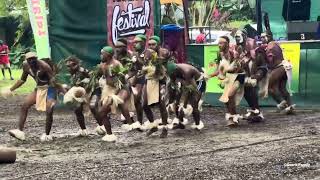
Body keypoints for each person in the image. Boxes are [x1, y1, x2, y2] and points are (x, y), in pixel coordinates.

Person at [2, 52, 61, 141]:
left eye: (34, 58)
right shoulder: (26, 66)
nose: (32, 61)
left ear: (37, 58)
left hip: (50, 89)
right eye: (29, 59)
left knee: (49, 110)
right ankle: (20, 132)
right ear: (27, 60)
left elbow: (53, 80)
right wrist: (11, 89)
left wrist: (59, 90)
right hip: (39, 89)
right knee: (24, 106)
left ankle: (47, 135)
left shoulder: (44, 66)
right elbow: (22, 80)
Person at [97, 46, 135, 142]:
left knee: (108, 108)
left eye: (103, 53)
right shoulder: (102, 65)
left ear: (108, 55)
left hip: (120, 89)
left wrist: (115, 94)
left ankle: (130, 125)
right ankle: (109, 135)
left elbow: (123, 81)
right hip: (108, 89)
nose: (101, 55)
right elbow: (97, 75)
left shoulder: (116, 64)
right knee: (102, 111)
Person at [234, 30, 265, 122]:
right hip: (247, 72)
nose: (237, 39)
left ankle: (257, 112)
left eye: (238, 36)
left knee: (251, 89)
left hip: (259, 69)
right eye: (236, 37)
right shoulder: (238, 48)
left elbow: (257, 62)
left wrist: (255, 75)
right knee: (246, 92)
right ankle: (254, 110)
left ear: (244, 36)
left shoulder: (252, 45)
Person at [214, 36, 245, 127]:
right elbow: (218, 69)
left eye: (221, 43)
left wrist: (227, 69)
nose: (219, 45)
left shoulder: (233, 53)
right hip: (228, 78)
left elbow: (237, 68)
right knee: (226, 100)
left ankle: (232, 118)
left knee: (230, 95)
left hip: (238, 77)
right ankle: (233, 117)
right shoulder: (219, 54)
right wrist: (209, 75)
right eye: (218, 43)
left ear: (227, 44)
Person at [166, 62, 207, 130]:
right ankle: (180, 123)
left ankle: (198, 125)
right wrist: (173, 101)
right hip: (186, 83)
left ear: (176, 71)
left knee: (194, 103)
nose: (172, 75)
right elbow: (174, 86)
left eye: (173, 74)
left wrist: (184, 105)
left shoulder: (187, 72)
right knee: (176, 103)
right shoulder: (171, 71)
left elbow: (189, 90)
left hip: (199, 83)